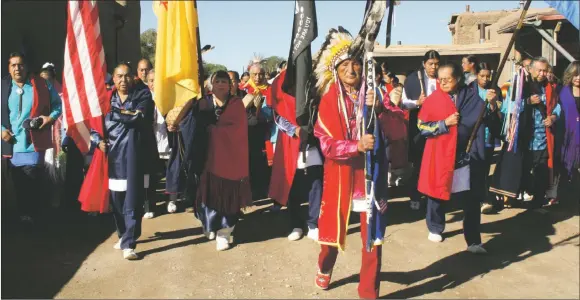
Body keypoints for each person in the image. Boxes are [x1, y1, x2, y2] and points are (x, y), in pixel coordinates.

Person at [311, 27, 393, 299]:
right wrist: (355, 146)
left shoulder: (375, 96)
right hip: (340, 175)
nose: (351, 69)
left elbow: (399, 128)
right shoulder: (327, 101)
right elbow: (326, 144)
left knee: (373, 239)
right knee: (331, 237)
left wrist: (379, 109)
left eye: (356, 64)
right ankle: (325, 267)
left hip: (370, 176)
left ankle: (369, 292)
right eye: (345, 65)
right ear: (335, 70)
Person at [417, 62, 500, 253]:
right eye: (441, 79)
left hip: (467, 154)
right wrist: (444, 124)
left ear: (458, 79)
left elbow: (486, 118)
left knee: (471, 198)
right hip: (440, 153)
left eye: (448, 79)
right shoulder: (433, 99)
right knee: (437, 193)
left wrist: (492, 104)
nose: (443, 82)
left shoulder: (471, 97)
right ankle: (435, 227)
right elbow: (422, 127)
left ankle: (473, 240)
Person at [91, 62, 157, 260]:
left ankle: (130, 242)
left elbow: (136, 118)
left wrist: (112, 112)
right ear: (113, 77)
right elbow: (95, 125)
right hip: (114, 157)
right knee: (117, 201)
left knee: (134, 201)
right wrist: (97, 141)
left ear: (133, 77)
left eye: (127, 76)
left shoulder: (143, 95)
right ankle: (122, 235)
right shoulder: (106, 98)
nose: (123, 80)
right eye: (119, 76)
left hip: (136, 155)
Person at [490, 57, 561, 210]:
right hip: (524, 138)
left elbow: (556, 106)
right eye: (539, 70)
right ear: (531, 70)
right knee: (522, 170)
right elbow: (507, 107)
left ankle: (538, 201)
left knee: (542, 170)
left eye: (545, 70)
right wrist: (527, 102)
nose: (542, 73)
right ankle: (516, 197)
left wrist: (553, 117)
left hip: (543, 137)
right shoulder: (519, 85)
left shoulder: (549, 87)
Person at [192, 70, 252, 251]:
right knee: (208, 196)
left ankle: (224, 232)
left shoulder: (236, 104)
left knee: (228, 199)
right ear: (211, 84)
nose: (220, 84)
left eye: (224, 81)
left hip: (230, 160)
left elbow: (238, 130)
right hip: (208, 159)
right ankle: (211, 225)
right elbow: (196, 129)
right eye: (217, 81)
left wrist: (215, 130)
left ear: (230, 85)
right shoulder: (203, 103)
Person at [1, 52, 62, 224]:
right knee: (18, 180)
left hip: (33, 142)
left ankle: (32, 214)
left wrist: (49, 118)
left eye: (20, 64)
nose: (17, 68)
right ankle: (25, 214)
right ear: (8, 68)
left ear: (26, 67)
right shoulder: (3, 86)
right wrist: (1, 130)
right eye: (13, 65)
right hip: (11, 144)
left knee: (33, 176)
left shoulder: (41, 85)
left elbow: (57, 105)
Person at [268, 69, 323, 241]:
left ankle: (313, 223)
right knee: (292, 188)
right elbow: (277, 116)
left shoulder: (314, 83)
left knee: (316, 185)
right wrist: (295, 130)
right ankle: (295, 224)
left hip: (314, 145)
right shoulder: (283, 81)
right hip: (291, 145)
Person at [402, 50, 440, 210]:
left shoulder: (442, 79)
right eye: (431, 64)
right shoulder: (412, 80)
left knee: (436, 164)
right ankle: (415, 195)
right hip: (419, 129)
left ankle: (434, 196)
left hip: (439, 127)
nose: (434, 67)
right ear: (424, 64)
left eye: (437, 64)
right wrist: (417, 102)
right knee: (419, 164)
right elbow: (403, 103)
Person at [467, 62, 504, 214]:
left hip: (489, 135)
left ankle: (484, 197)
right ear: (476, 75)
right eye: (482, 76)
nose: (485, 79)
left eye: (488, 76)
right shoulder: (469, 90)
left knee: (485, 167)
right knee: (474, 168)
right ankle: (474, 197)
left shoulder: (495, 90)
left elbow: (500, 112)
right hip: (474, 135)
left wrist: (493, 103)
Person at [242, 61, 273, 200]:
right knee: (252, 160)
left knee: (267, 162)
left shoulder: (271, 89)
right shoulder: (243, 89)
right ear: (249, 75)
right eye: (255, 74)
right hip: (250, 132)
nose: (258, 77)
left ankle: (266, 188)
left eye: (261, 74)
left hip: (268, 129)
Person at [551, 61, 580, 205]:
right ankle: (564, 197)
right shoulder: (562, 91)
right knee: (565, 167)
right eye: (575, 74)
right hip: (566, 135)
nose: (578, 78)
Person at [143, 69, 169, 219]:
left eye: (157, 80)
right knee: (149, 178)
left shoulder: (167, 98)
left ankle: (170, 201)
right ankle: (149, 205)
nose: (154, 84)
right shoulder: (144, 99)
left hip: (165, 143)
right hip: (150, 144)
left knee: (167, 175)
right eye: (151, 81)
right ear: (147, 82)